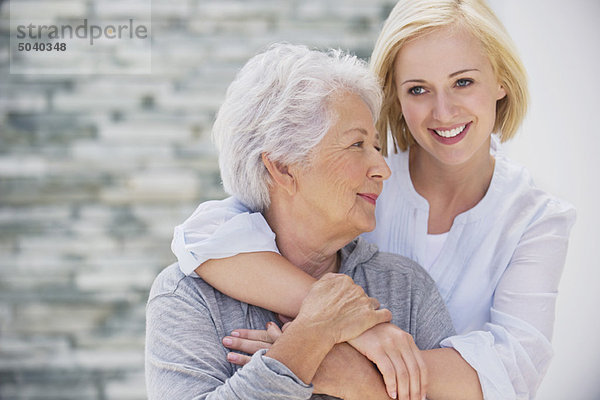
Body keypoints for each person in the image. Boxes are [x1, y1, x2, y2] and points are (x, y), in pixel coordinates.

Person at [171, 1, 576, 398]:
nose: (444, 110)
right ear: (395, 98)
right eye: (418, 89)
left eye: (463, 82)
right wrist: (349, 321)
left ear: (501, 79)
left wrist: (347, 372)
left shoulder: (537, 219)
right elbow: (204, 236)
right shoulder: (360, 184)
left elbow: (514, 371)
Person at [146, 43, 475, 400]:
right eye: (357, 145)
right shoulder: (188, 298)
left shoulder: (404, 287)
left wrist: (346, 373)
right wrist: (311, 336)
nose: (381, 169)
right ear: (284, 168)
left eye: (377, 147)